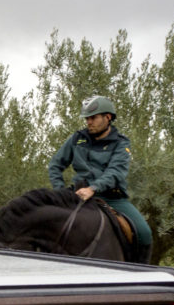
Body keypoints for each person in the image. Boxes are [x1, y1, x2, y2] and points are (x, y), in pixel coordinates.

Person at [48, 95, 153, 263]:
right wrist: (61, 193)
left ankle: (140, 274)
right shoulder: (77, 139)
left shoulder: (121, 143)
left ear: (108, 117)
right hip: (78, 195)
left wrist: (93, 189)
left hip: (111, 198)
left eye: (93, 118)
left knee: (144, 232)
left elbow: (116, 171)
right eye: (87, 119)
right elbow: (55, 165)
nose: (89, 122)